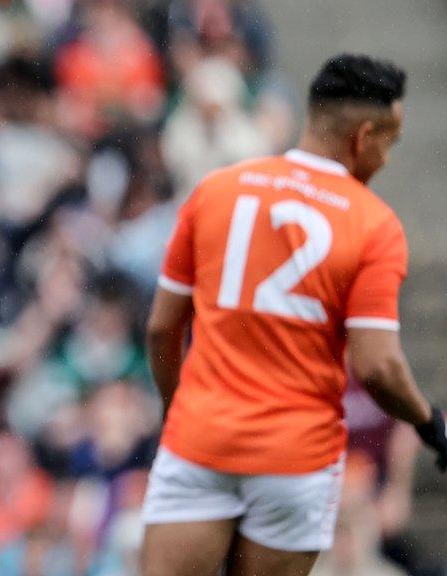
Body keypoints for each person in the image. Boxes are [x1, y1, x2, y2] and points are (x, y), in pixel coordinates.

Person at [139, 54, 447, 576]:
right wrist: (428, 423)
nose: (388, 159)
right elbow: (378, 368)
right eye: (388, 143)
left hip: (202, 441)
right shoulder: (374, 224)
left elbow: (162, 327)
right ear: (363, 135)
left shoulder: (216, 190)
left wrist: (177, 408)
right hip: (296, 458)